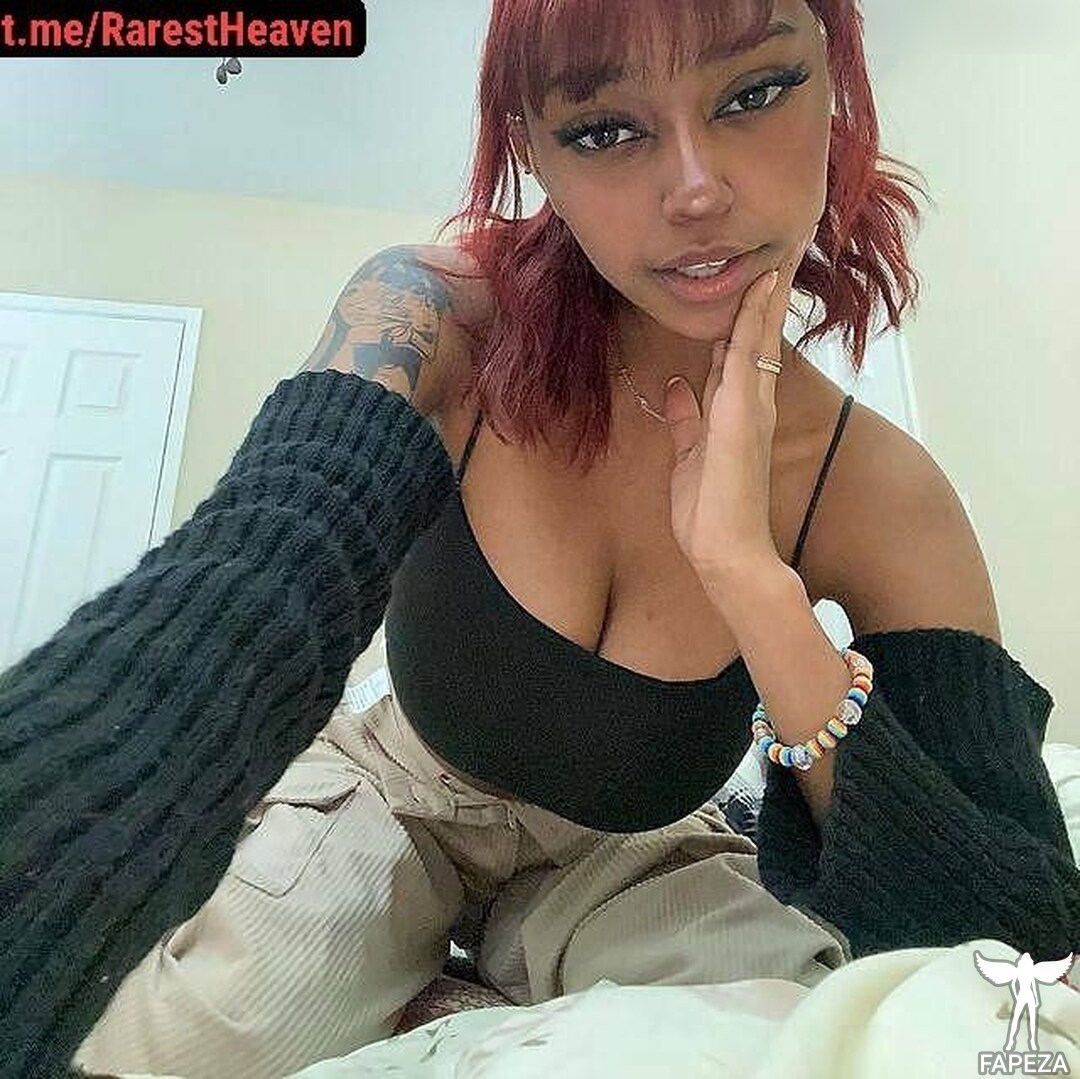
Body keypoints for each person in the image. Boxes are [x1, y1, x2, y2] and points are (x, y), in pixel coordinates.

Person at [2, 1, 1078, 1076]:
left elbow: (1014, 951)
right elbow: (244, 592)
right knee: (179, 1044)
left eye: (754, 92)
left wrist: (751, 582)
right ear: (534, 153)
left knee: (792, 1034)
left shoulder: (880, 492)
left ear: (835, 86)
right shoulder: (437, 316)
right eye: (605, 130)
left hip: (635, 848)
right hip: (394, 796)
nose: (695, 188)